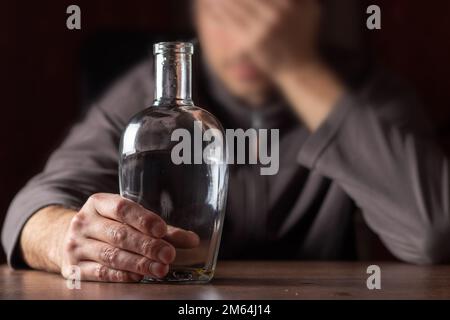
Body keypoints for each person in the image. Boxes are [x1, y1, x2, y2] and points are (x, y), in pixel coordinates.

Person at [2, 0, 450, 282]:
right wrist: (68, 238)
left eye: (268, 11)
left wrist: (297, 69)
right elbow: (31, 211)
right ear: (196, 14)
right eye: (227, 12)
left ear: (310, 12)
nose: (248, 37)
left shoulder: (366, 91)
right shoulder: (139, 95)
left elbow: (434, 232)